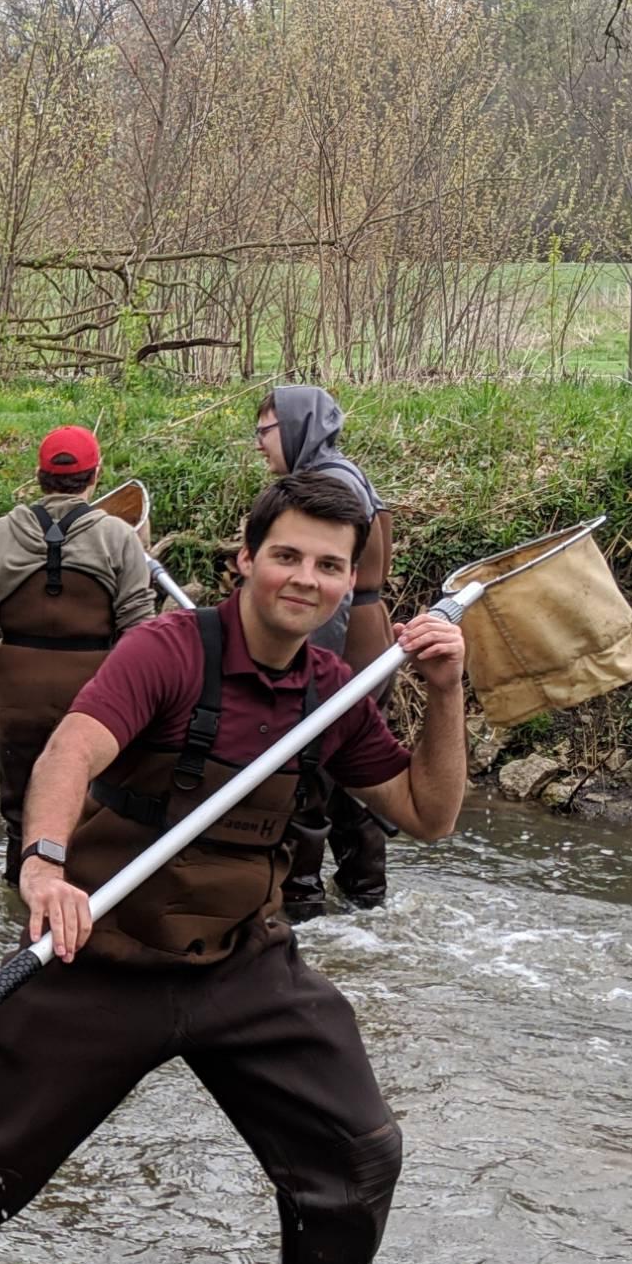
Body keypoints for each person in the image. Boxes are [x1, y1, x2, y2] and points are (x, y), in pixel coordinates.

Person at [0, 472, 468, 1264]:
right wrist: (44, 865)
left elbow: (427, 814)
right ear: (245, 560)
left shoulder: (335, 689)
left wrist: (445, 695)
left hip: (244, 964)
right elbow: (71, 749)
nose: (304, 579)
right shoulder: (168, 650)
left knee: (357, 1157)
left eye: (329, 565)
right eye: (285, 555)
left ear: (347, 580)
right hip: (103, 952)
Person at [0, 426, 154, 881]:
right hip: (97, 698)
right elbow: (140, 629)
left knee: (20, 811)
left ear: (40, 476)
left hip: (19, 691)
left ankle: (17, 895)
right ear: (95, 475)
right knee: (92, 803)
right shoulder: (119, 538)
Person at [256, 386, 396, 915]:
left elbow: (324, 593)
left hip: (342, 645)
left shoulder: (322, 488)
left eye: (265, 431)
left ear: (296, 427)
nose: (259, 445)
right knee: (350, 773)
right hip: (369, 642)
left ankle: (301, 904)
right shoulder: (349, 474)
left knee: (305, 773)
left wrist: (306, 668)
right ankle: (366, 899)